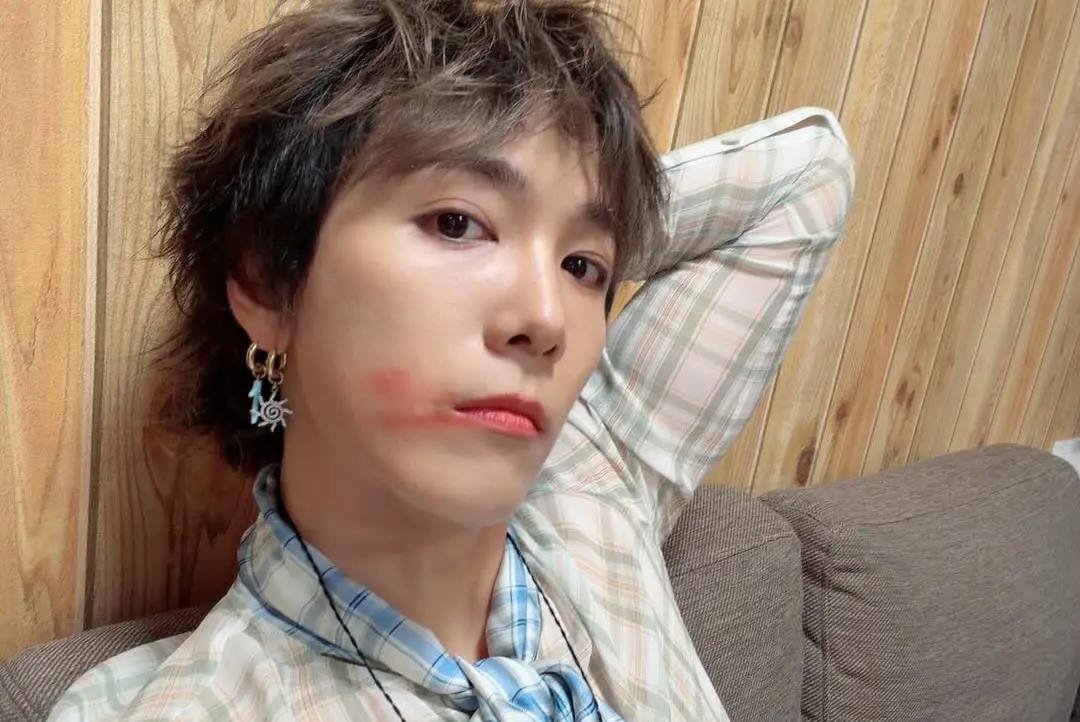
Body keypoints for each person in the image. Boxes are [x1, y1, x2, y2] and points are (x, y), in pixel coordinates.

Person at [49, 0, 854, 719]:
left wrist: (596, 217)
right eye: (457, 223)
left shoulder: (593, 479)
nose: (546, 319)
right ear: (266, 280)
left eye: (582, 268)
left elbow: (810, 173)